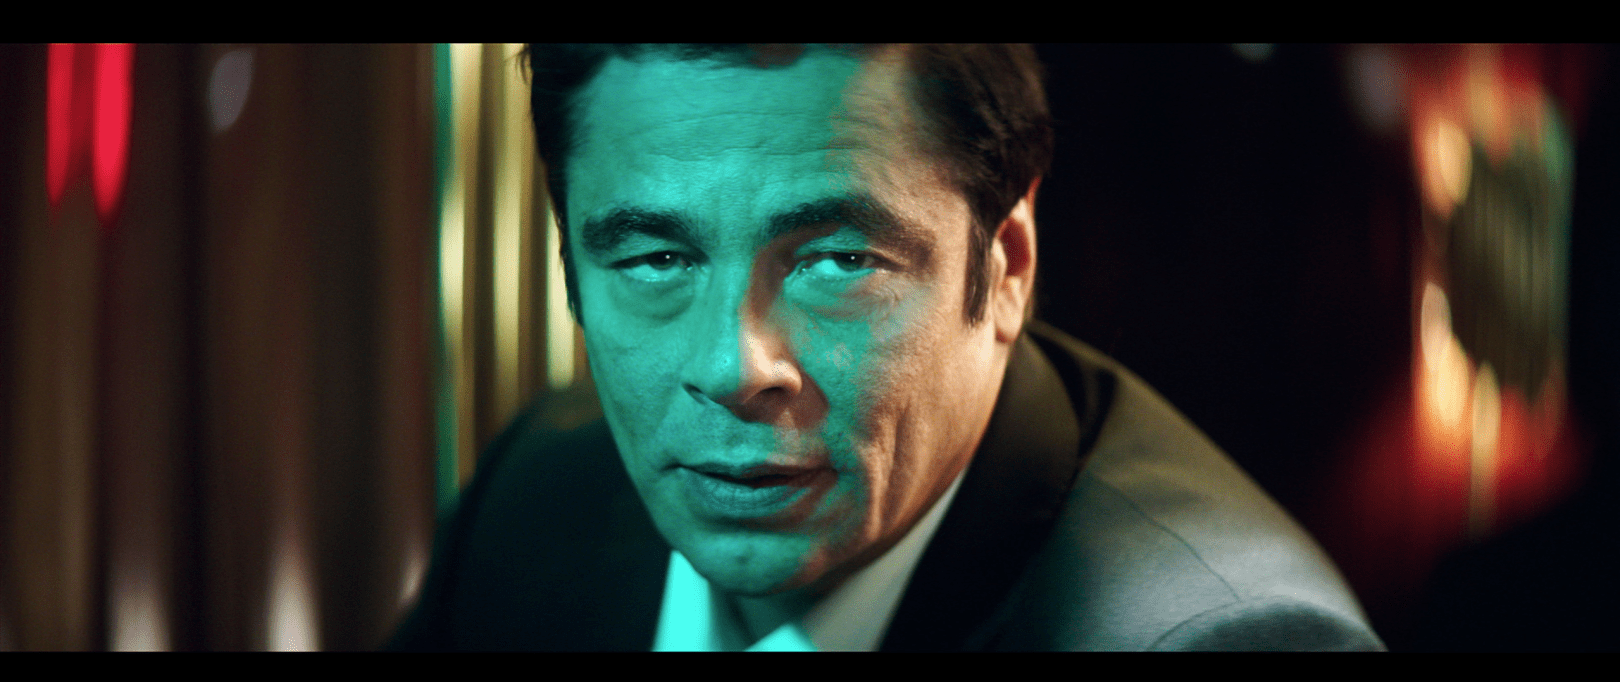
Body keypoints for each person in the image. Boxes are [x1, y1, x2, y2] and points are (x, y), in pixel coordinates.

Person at [388, 44, 1384, 651]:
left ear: (1007, 264)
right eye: (656, 260)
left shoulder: (1218, 638)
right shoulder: (533, 500)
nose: (735, 368)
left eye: (840, 260)